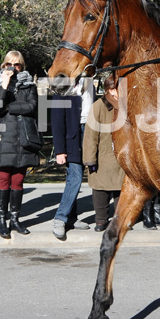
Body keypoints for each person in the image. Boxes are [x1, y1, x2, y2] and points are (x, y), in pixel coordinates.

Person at [0, 51, 39, 239]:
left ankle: (15, 219)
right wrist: (4, 84)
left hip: (23, 137)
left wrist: (9, 108)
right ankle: (2, 220)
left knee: (18, 180)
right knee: (3, 179)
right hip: (4, 137)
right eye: (9, 64)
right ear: (4, 66)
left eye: (17, 65)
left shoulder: (29, 85)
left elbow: (32, 107)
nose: (12, 68)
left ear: (22, 67)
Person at [50, 76, 93, 241]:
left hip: (89, 132)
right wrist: (59, 150)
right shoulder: (63, 86)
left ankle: (71, 217)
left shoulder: (90, 84)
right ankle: (60, 218)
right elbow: (57, 121)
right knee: (75, 177)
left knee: (78, 176)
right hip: (72, 138)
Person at [82, 76, 125, 232]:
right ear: (108, 90)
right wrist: (89, 159)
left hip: (121, 155)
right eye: (115, 89)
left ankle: (120, 220)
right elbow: (90, 135)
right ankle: (101, 220)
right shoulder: (98, 106)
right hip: (103, 154)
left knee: (121, 189)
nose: (118, 92)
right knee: (101, 189)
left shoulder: (125, 105)